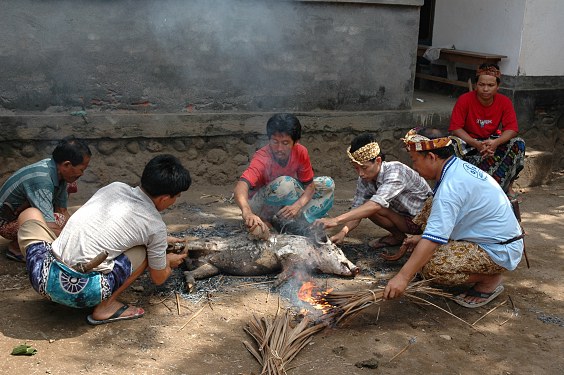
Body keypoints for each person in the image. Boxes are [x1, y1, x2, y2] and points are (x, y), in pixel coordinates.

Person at [17, 154, 191, 325]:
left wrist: (160, 241)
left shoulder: (115, 187)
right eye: (176, 197)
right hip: (78, 292)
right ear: (165, 198)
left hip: (42, 275)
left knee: (30, 214)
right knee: (144, 252)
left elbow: (107, 227)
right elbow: (158, 278)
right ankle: (105, 307)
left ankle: (17, 251)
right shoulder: (155, 225)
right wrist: (167, 262)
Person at [383, 128, 524, 308]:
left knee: (432, 267)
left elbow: (434, 237)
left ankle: (489, 280)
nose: (414, 167)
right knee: (430, 207)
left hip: (499, 249)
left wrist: (402, 277)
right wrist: (421, 239)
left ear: (432, 157)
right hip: (491, 238)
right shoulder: (455, 167)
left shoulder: (451, 186)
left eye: (414, 160)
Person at [314, 133, 432, 254]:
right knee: (365, 206)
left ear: (378, 161)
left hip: (426, 223)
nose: (360, 173)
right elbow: (357, 210)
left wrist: (336, 220)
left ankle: (423, 240)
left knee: (373, 206)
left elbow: (376, 204)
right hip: (405, 220)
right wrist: (342, 232)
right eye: (356, 168)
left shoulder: (396, 171)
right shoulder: (365, 179)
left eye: (364, 168)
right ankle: (398, 237)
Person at [234, 113, 334, 237]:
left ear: (295, 142)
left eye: (285, 143)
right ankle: (268, 221)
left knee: (327, 184)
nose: (279, 148)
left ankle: (297, 222)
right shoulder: (262, 156)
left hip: (286, 201)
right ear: (269, 139)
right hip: (260, 204)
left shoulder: (301, 152)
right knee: (286, 183)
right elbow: (241, 186)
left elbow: (310, 186)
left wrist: (297, 206)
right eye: (275, 142)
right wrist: (247, 211)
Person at [0, 136, 91, 262]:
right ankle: (16, 248)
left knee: (62, 220)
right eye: (81, 169)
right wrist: (77, 244)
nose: (82, 174)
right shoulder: (42, 180)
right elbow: (51, 223)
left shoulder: (59, 173)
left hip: (19, 216)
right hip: (5, 224)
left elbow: (62, 210)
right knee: (57, 222)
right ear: (67, 165)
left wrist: (77, 235)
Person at [449, 63, 526, 199]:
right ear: (476, 85)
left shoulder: (504, 102)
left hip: (492, 141)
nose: (485, 89)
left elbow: (512, 129)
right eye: (481, 84)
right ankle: (456, 188)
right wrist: (475, 143)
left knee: (518, 143)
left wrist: (496, 142)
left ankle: (507, 186)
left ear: (497, 86)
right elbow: (456, 128)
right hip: (469, 142)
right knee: (451, 144)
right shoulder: (464, 100)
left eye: (490, 86)